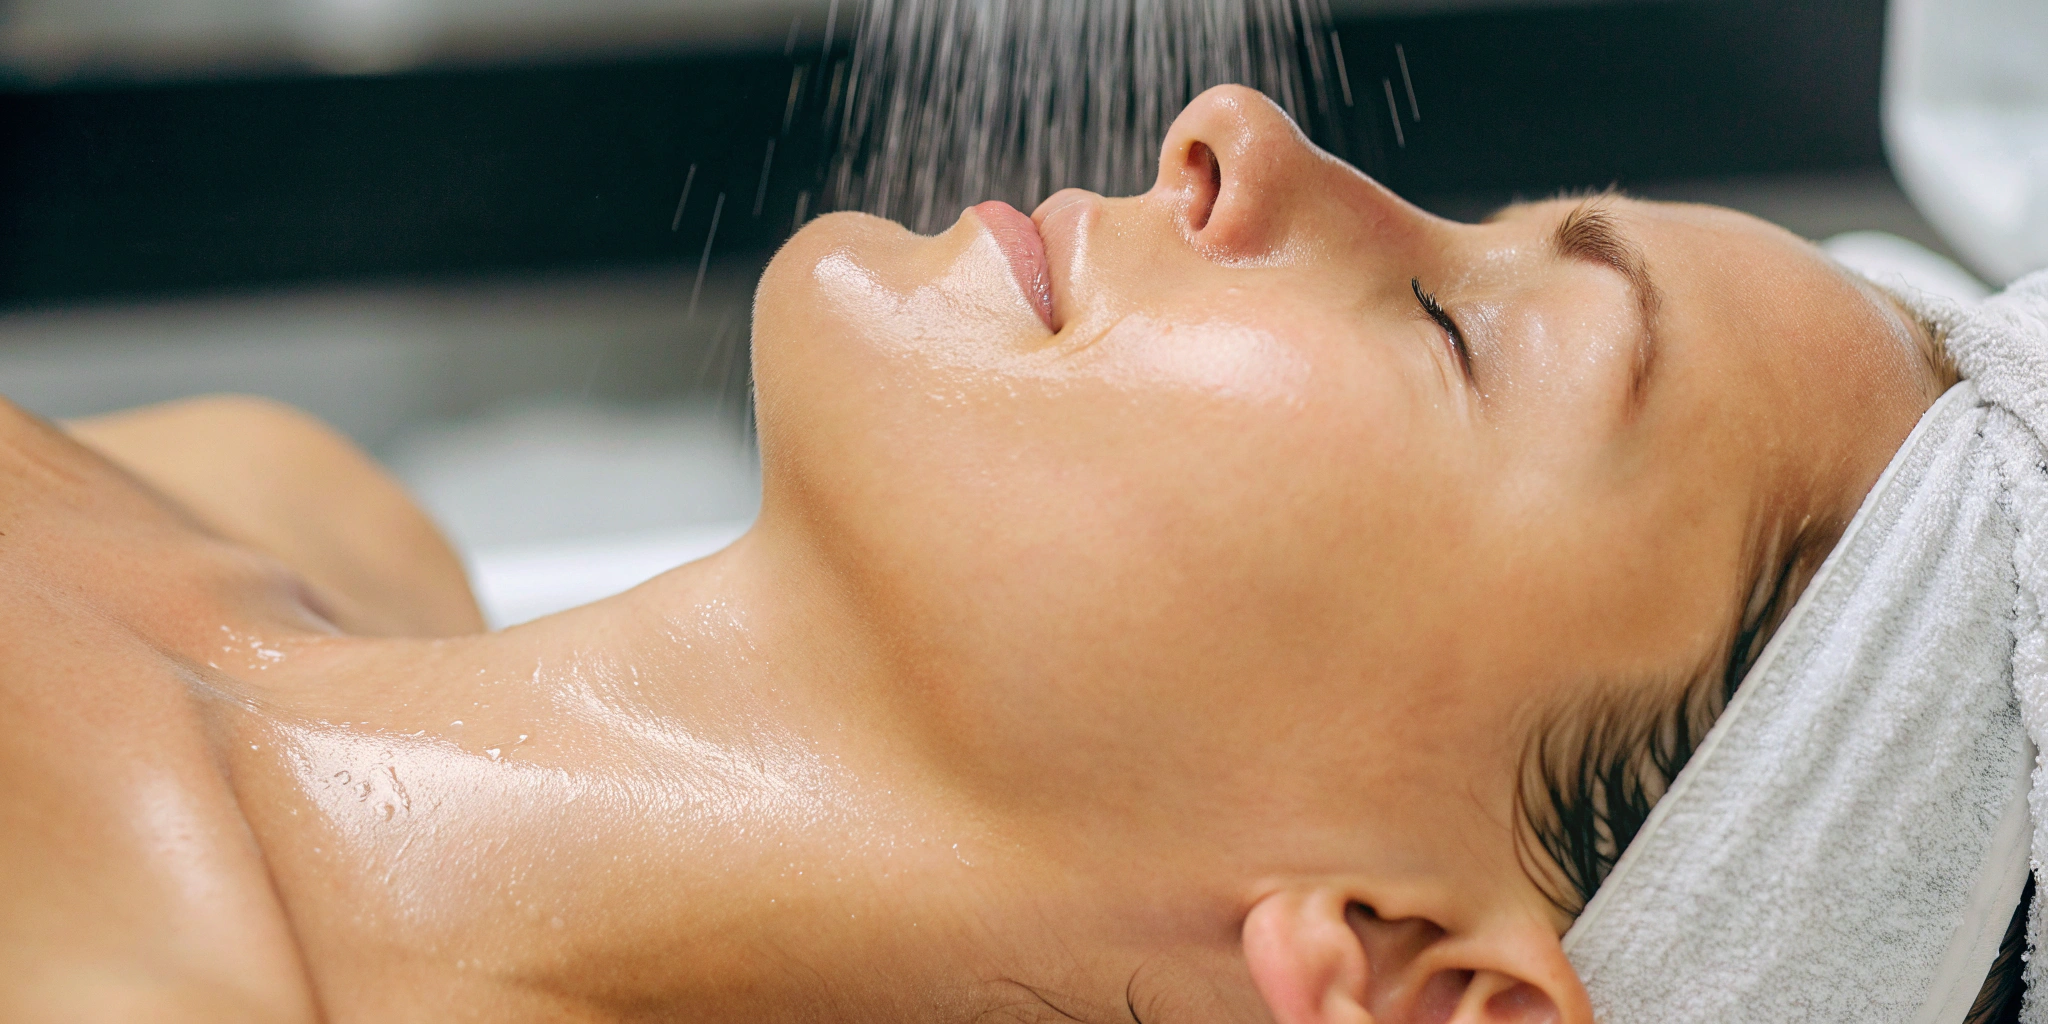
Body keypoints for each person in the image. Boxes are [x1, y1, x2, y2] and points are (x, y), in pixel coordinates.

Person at [1, 85, 1959, 1023]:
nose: (1241, 137)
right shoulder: (292, 500)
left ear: (1411, 971)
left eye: (1456, 330)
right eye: (1472, 213)